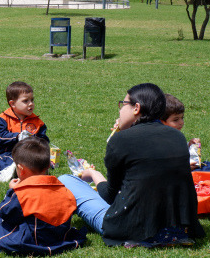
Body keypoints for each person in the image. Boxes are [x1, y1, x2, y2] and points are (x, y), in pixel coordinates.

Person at [58, 83, 205, 247]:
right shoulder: (177, 137)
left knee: (66, 179)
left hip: (131, 228)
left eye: (123, 104)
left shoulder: (120, 141)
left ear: (136, 108)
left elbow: (109, 195)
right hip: (176, 229)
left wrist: (94, 174)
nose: (120, 110)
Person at [0, 81, 48, 182]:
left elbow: (44, 140)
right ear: (12, 104)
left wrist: (34, 141)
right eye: (25, 101)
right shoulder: (2, 118)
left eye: (32, 100)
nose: (30, 104)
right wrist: (17, 137)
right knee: (0, 161)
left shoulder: (37, 121)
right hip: (8, 153)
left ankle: (27, 171)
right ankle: (0, 175)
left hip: (29, 154)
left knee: (38, 161)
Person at [161, 94, 207, 171]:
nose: (181, 122)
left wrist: (189, 145)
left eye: (182, 118)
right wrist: (184, 167)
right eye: (176, 120)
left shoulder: (176, 136)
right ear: (162, 122)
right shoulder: (161, 141)